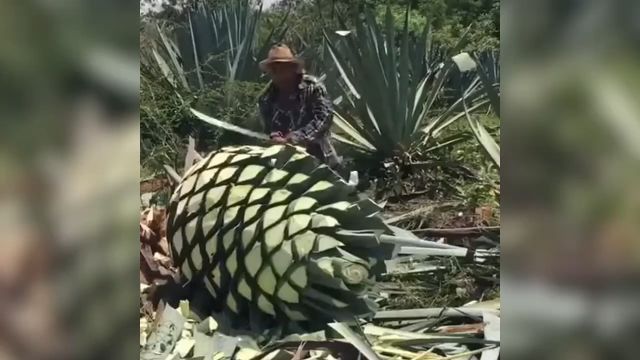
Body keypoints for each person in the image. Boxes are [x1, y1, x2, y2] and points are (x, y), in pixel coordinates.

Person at [258, 44, 342, 168]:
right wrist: (275, 136)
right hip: (285, 164)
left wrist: (297, 137)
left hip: (320, 161)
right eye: (274, 69)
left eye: (282, 68)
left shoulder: (313, 87)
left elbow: (324, 118)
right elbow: (269, 128)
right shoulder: (266, 98)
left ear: (292, 68)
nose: (277, 73)